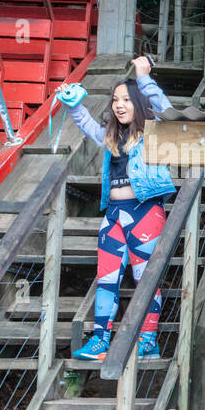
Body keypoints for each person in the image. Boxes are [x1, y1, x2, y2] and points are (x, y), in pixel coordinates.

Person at [55, 56, 177, 361]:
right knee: (106, 276)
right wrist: (73, 105)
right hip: (114, 214)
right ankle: (99, 340)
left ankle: (148, 340)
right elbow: (87, 126)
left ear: (138, 102)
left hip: (145, 211)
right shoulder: (111, 136)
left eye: (125, 100)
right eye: (114, 100)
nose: (119, 105)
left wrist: (144, 77)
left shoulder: (154, 132)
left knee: (145, 276)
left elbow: (164, 108)